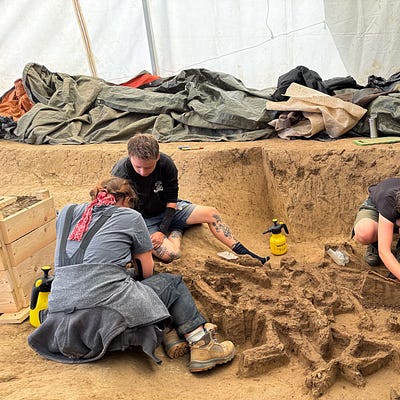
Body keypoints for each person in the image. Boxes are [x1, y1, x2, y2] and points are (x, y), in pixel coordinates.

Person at [28, 177, 235, 373]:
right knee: (171, 284)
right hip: (102, 324)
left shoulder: (67, 212)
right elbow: (146, 272)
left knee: (125, 283)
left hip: (59, 324)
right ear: (126, 200)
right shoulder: (130, 217)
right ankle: (202, 344)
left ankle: (170, 335)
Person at [111, 133, 268, 264]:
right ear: (130, 157)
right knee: (171, 255)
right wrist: (143, 233)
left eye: (148, 167)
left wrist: (162, 230)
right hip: (142, 219)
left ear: (157, 157)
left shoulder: (166, 164)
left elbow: (172, 198)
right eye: (138, 167)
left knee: (211, 213)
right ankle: (178, 229)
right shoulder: (121, 172)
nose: (143, 172)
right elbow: (120, 210)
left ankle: (248, 255)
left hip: (167, 209)